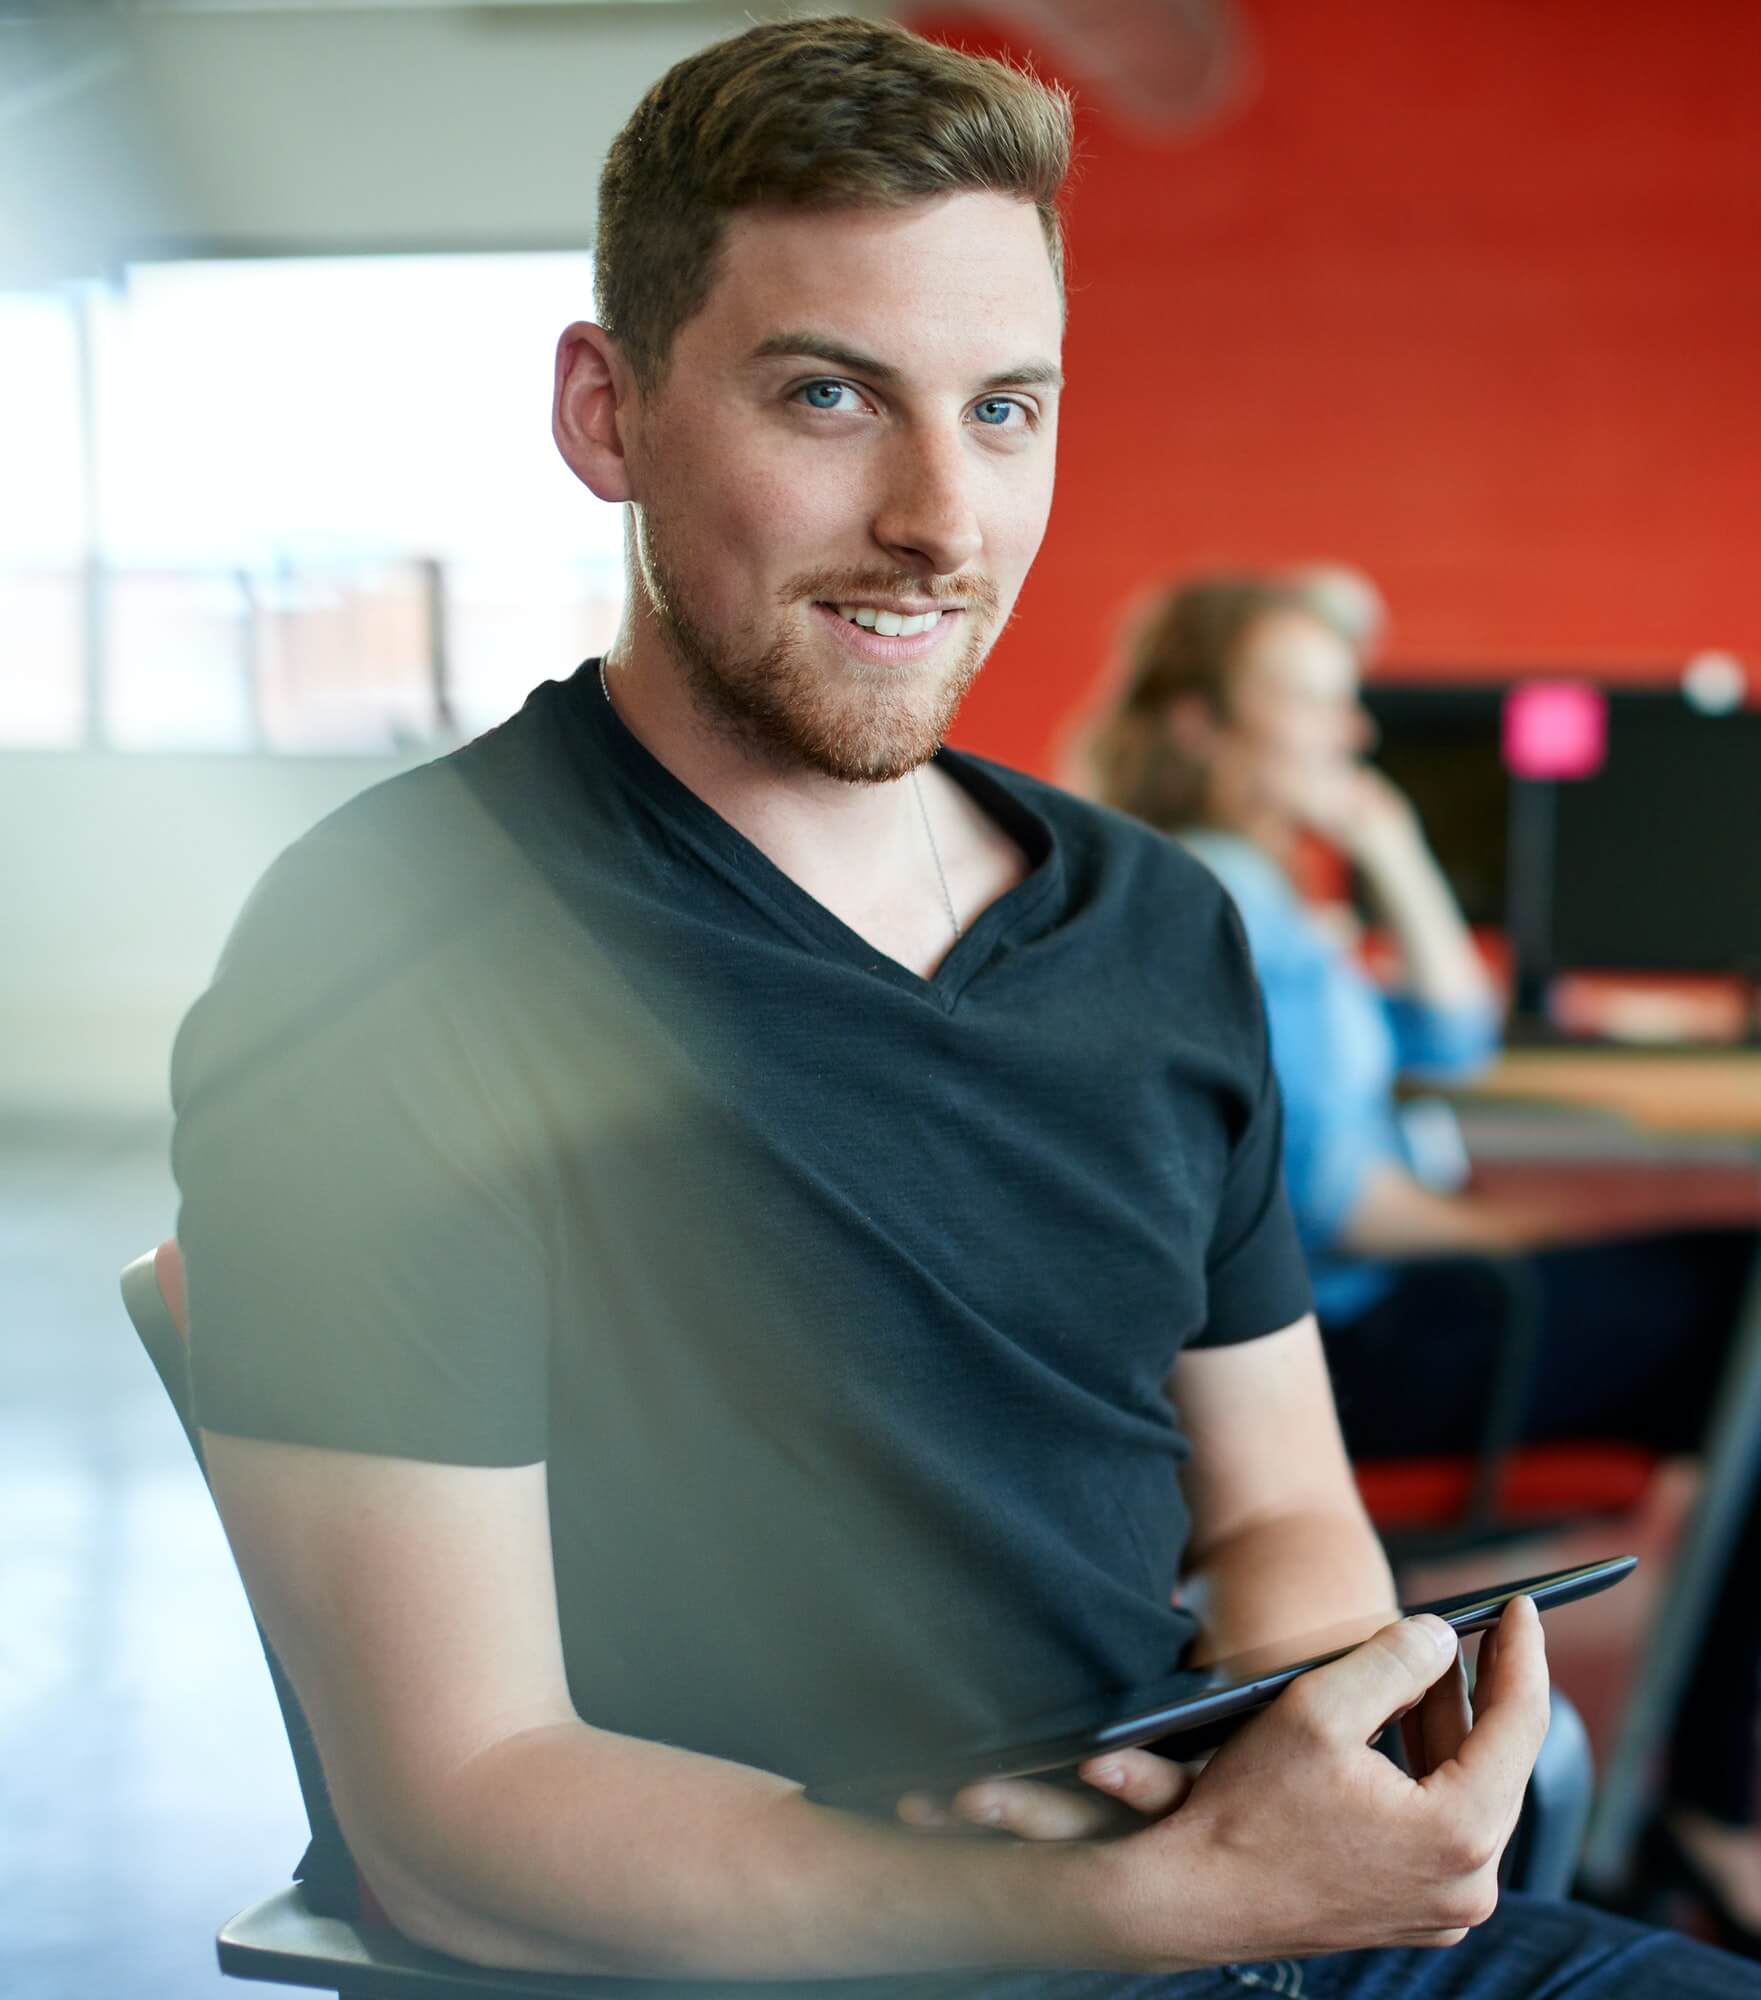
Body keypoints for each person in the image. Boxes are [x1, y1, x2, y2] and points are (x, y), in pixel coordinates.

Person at [170, 18, 1759, 1994]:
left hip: (1224, 1919)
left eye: (1005, 408)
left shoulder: (1152, 925)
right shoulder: (398, 956)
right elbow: (459, 1807)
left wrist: (1305, 1756)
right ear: (608, 413)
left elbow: (1277, 1507)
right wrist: (1117, 1905)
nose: (943, 514)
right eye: (829, 395)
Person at [1086, 571, 1761, 1957]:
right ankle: (1709, 1792)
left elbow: (1445, 1036)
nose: (1350, 739)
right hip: (1341, 1355)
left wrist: (1385, 844)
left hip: (1393, 1322)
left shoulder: (1266, 891)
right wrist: (1534, 1231)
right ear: (1202, 726)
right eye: (1313, 708)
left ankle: (1700, 1785)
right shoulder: (1226, 905)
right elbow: (1320, 1204)